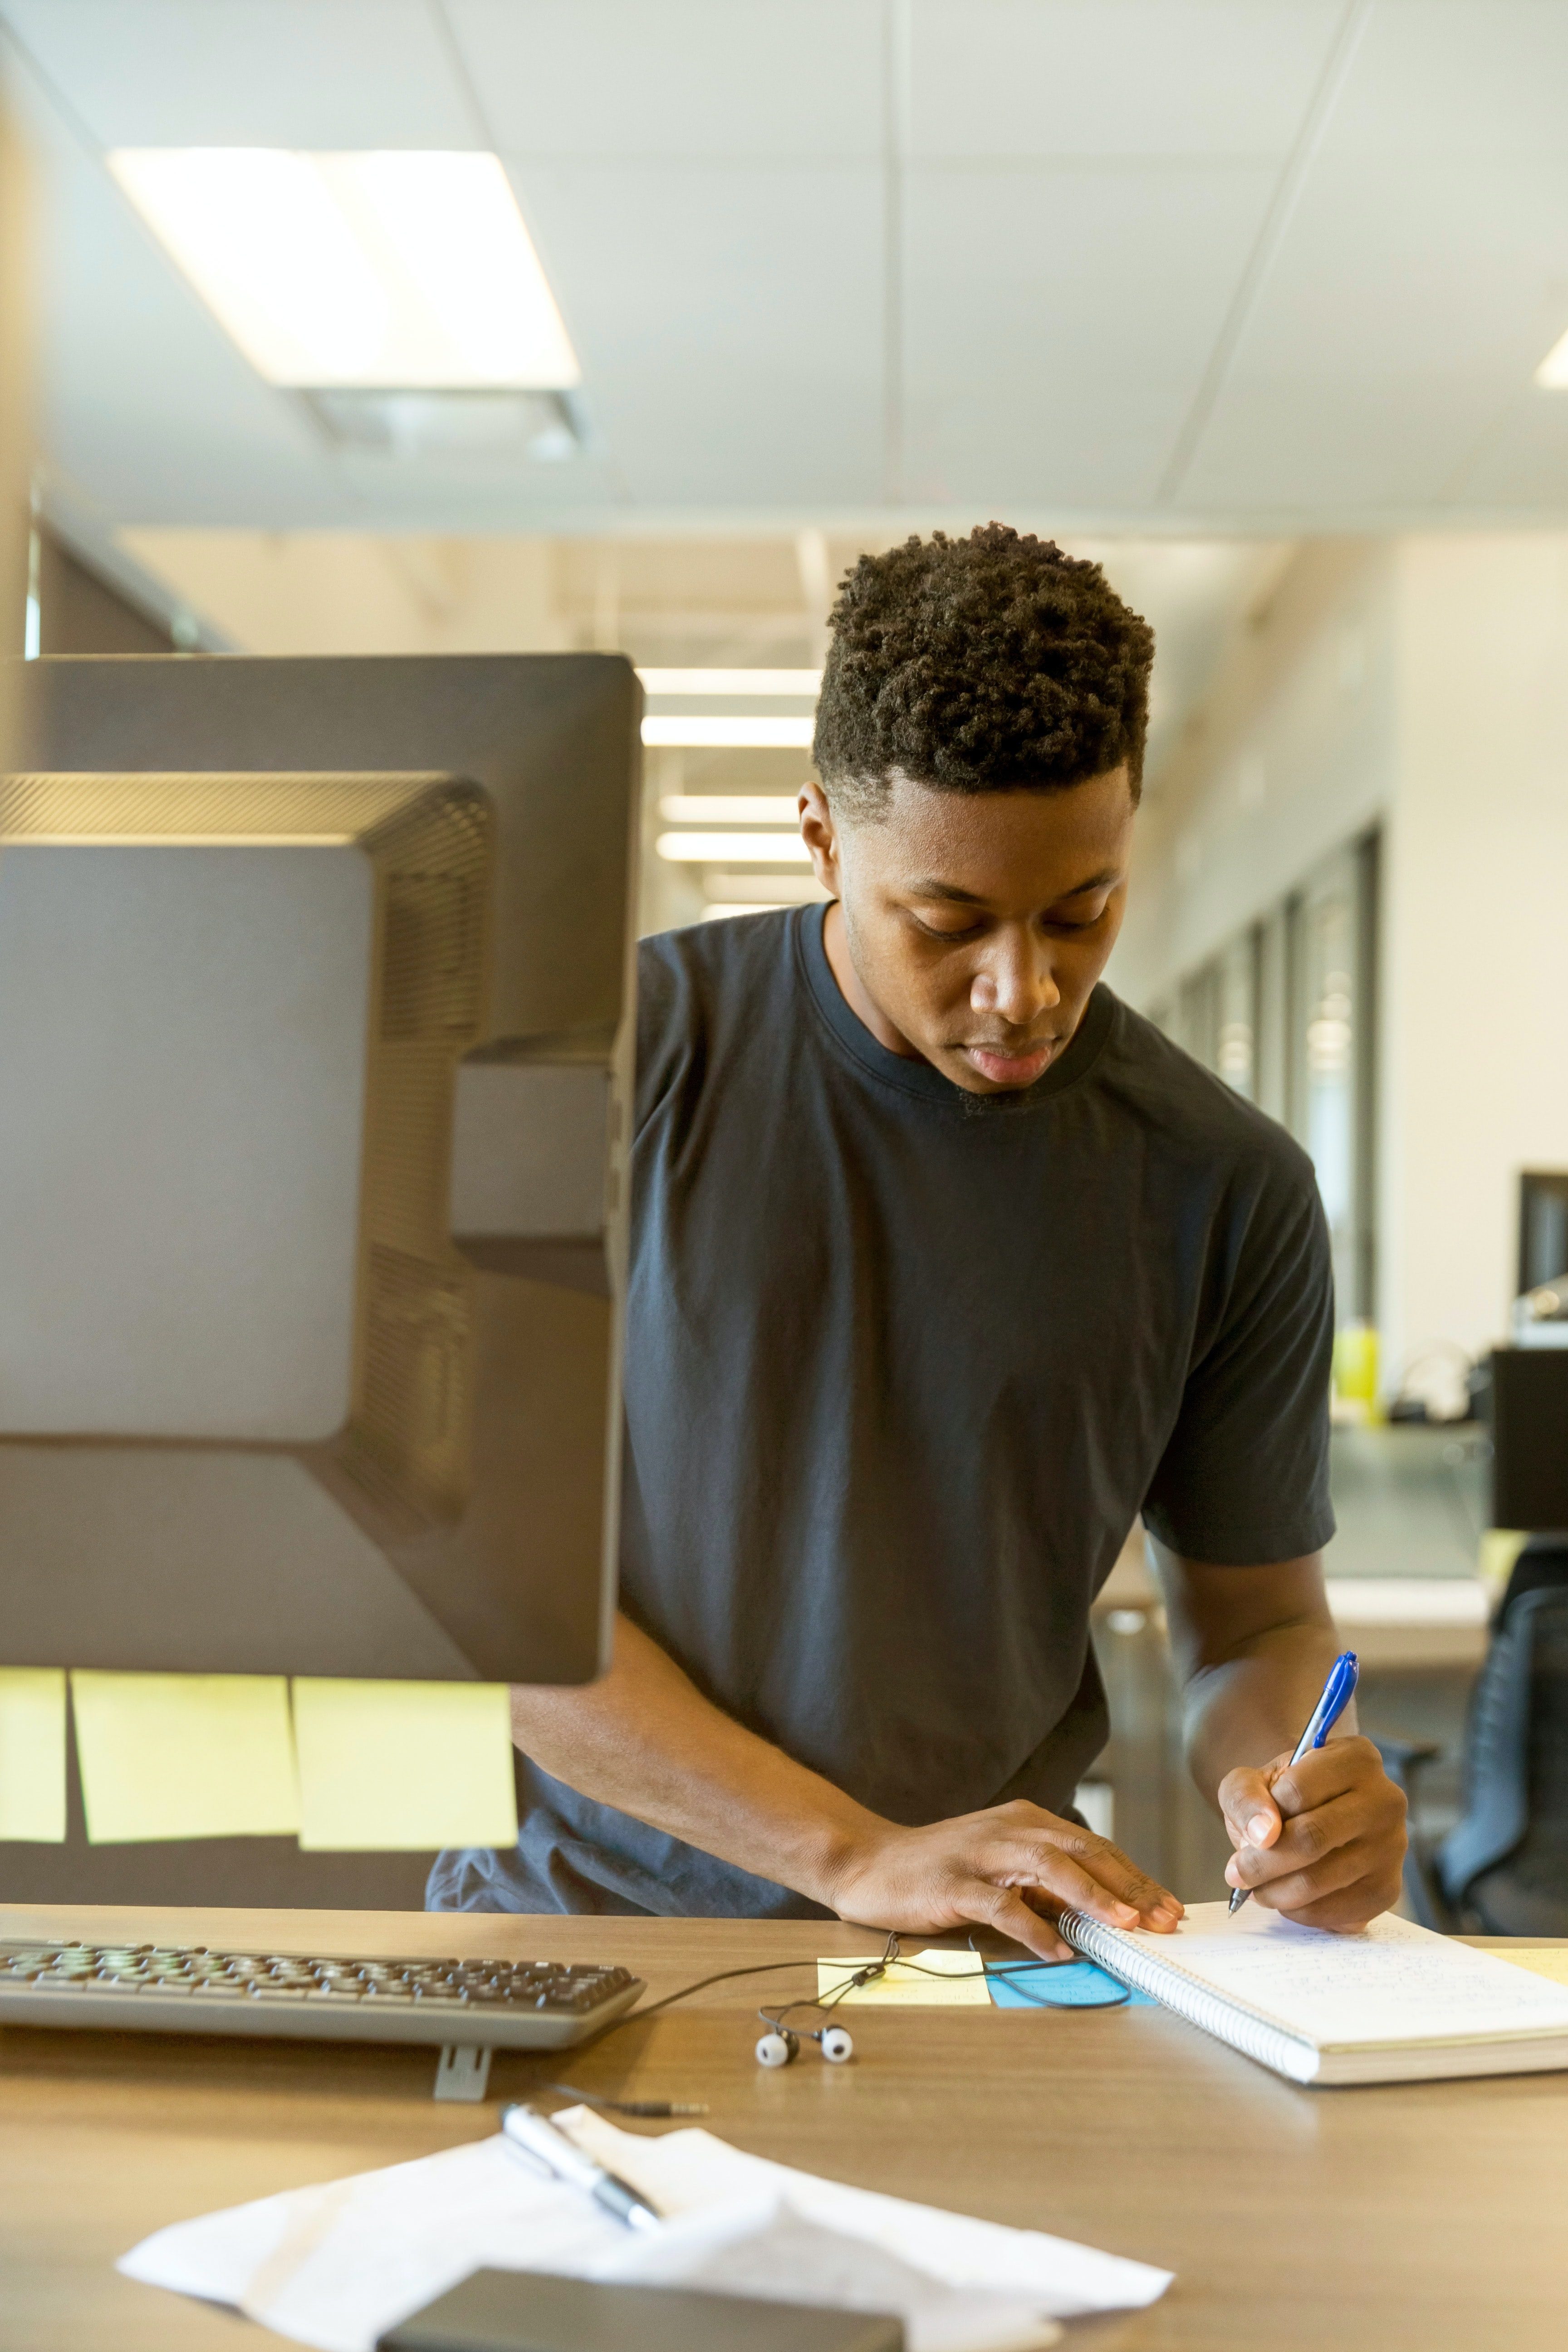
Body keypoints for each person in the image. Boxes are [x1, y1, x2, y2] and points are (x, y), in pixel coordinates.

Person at [430, 524, 1406, 1955]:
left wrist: (1295, 1797)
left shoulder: (1225, 1183)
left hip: (980, 1951)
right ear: (821, 832)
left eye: (1083, 913)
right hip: (582, 1931)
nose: (1024, 989)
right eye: (948, 922)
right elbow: (472, 1584)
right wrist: (844, 1851)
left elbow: (1256, 1632)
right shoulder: (605, 1069)